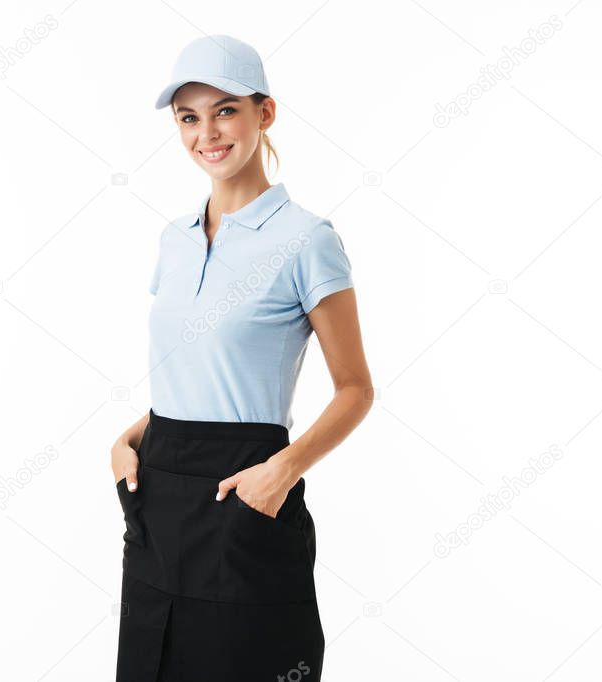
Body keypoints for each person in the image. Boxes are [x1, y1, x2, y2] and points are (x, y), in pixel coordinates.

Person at [111, 34, 373, 681]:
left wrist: (279, 472)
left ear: (265, 113)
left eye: (224, 110)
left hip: (245, 489)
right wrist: (130, 437)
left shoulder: (307, 240)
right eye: (188, 117)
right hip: (158, 486)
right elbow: (190, 367)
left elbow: (354, 389)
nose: (207, 133)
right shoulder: (173, 240)